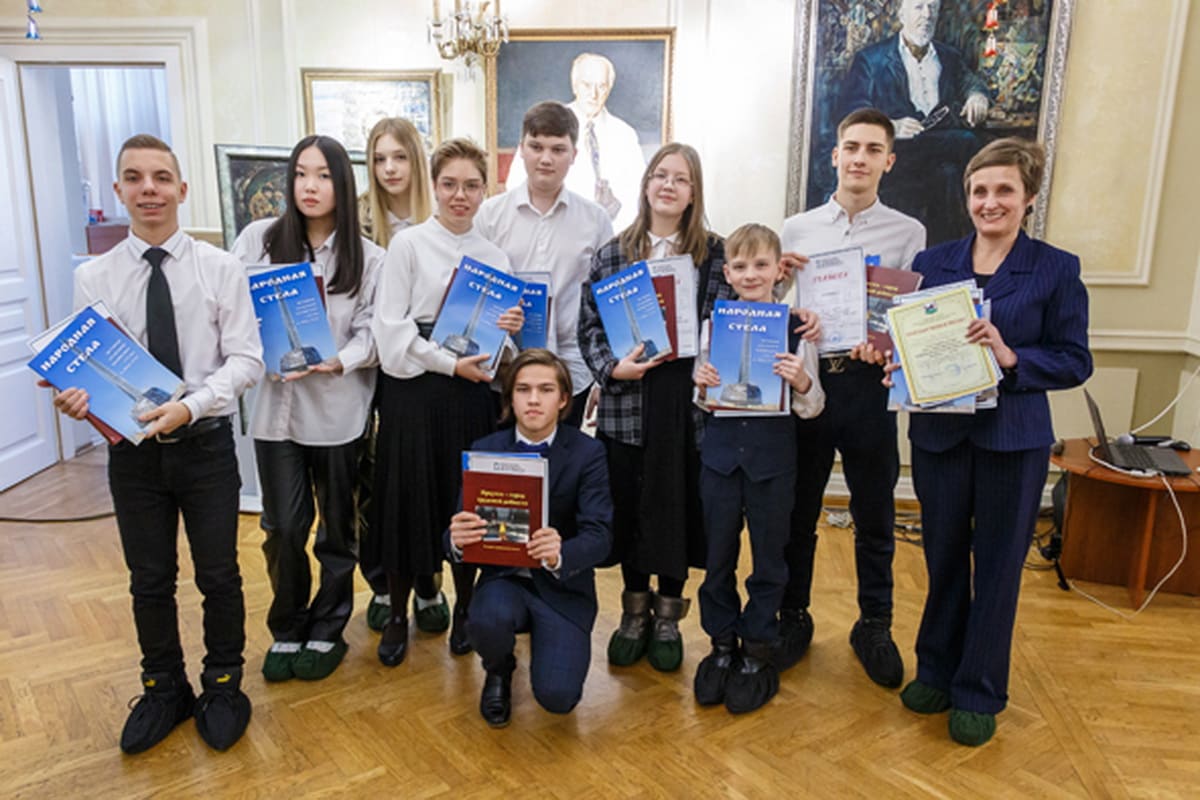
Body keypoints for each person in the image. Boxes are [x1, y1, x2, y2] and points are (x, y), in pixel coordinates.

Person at [50, 134, 263, 753]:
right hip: (134, 456)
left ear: (181, 189)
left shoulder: (220, 268)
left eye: (161, 178)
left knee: (219, 574)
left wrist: (190, 406)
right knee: (149, 579)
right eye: (135, 178)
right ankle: (164, 687)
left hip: (205, 446)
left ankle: (222, 684)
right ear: (119, 189)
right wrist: (77, 398)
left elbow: (247, 360)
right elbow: (86, 369)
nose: (149, 189)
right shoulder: (93, 277)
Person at [893, 138, 1091, 746]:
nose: (990, 201)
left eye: (1004, 190)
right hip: (941, 437)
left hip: (1013, 439)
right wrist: (896, 362)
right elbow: (911, 339)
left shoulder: (1056, 268)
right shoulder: (933, 262)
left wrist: (1010, 357)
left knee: (1000, 567)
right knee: (943, 557)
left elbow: (1074, 360)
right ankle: (936, 670)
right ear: (967, 197)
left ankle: (979, 690)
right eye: (979, 190)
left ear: (1028, 198)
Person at [778, 109, 927, 688]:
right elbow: (772, 303)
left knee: (875, 515)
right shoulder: (797, 228)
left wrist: (883, 344)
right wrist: (781, 282)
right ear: (835, 155)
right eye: (852, 147)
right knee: (799, 512)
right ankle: (793, 615)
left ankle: (874, 624)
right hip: (811, 384)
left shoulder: (908, 233)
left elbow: (906, 315)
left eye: (873, 149)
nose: (860, 158)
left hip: (869, 388)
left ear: (889, 161)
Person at [230, 135, 385, 682]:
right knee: (282, 527)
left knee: (337, 530)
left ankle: (328, 626)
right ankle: (287, 624)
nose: (310, 186)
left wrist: (339, 360)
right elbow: (232, 314)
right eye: (300, 174)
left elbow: (374, 334)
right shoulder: (258, 241)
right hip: (275, 413)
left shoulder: (370, 258)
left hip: (337, 412)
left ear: (341, 183)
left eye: (322, 175)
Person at [579, 142, 732, 673]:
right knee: (631, 506)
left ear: (693, 193)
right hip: (629, 400)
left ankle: (669, 616)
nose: (669, 185)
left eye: (681, 179)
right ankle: (634, 612)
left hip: (688, 407)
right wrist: (611, 369)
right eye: (660, 175)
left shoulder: (716, 254)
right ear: (646, 184)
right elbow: (589, 327)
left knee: (679, 508)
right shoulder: (613, 254)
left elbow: (732, 319)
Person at [372, 138, 523, 666]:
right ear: (434, 186)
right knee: (406, 502)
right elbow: (390, 332)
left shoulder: (495, 256)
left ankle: (464, 609)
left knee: (467, 504)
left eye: (472, 185)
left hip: (470, 394)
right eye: (450, 184)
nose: (461, 195)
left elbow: (500, 350)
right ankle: (397, 615)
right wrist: (445, 363)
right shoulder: (408, 245)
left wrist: (510, 330)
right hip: (414, 392)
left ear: (486, 190)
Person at [692, 223, 825, 714]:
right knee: (718, 558)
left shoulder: (797, 328)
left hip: (773, 464)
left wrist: (802, 380)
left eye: (761, 265)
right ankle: (721, 644)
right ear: (727, 273)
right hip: (721, 462)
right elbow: (703, 400)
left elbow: (813, 407)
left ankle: (758, 647)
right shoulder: (714, 327)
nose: (751, 274)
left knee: (770, 559)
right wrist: (701, 383)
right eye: (741, 266)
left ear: (778, 270)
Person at [447, 349, 612, 727]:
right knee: (486, 620)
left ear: (564, 398)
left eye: (545, 389)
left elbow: (600, 536)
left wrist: (561, 553)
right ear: (510, 398)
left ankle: (548, 642)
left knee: (558, 698)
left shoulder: (588, 452)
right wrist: (456, 540)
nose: (533, 399)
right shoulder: (485, 449)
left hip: (562, 588)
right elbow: (455, 532)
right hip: (503, 583)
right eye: (523, 389)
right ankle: (499, 668)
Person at [477, 101, 614, 427]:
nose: (546, 158)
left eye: (558, 149)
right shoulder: (490, 215)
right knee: (503, 456)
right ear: (521, 149)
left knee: (563, 458)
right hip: (503, 368)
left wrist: (602, 376)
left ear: (574, 155)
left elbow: (606, 304)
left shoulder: (595, 220)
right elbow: (476, 295)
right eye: (536, 147)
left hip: (571, 369)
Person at [355, 117, 434, 635]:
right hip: (368, 367)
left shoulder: (439, 214)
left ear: (417, 161)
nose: (389, 169)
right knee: (375, 481)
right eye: (379, 159)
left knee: (424, 478)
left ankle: (429, 582)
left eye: (399, 157)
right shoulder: (358, 219)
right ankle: (383, 583)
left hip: (427, 366)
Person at [840, 0, 990, 243]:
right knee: (967, 141)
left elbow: (970, 82)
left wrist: (977, 96)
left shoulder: (949, 57)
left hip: (939, 156)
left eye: (933, 8)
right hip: (897, 157)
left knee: (950, 174)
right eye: (919, 7)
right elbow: (851, 111)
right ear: (902, 14)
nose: (927, 15)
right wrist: (891, 127)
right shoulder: (871, 60)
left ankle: (952, 250)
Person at [506, 53, 646, 231]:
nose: (594, 94)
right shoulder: (545, 122)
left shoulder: (625, 134)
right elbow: (516, 185)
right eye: (587, 85)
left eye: (601, 86)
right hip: (552, 232)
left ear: (609, 88)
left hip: (613, 234)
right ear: (574, 85)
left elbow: (638, 194)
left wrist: (613, 233)